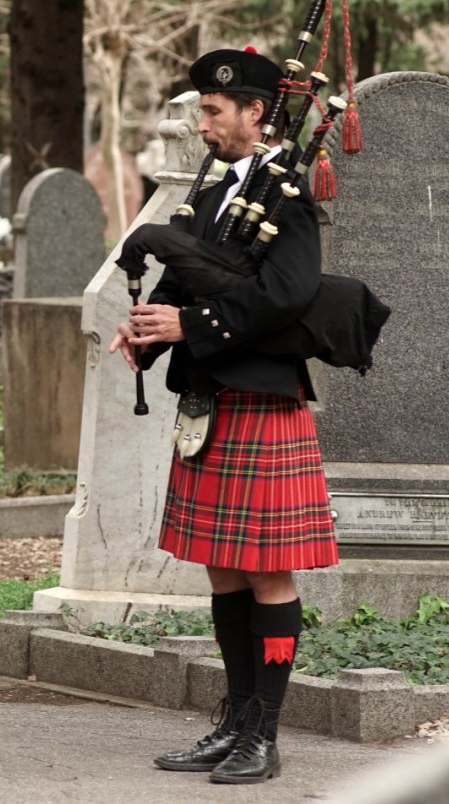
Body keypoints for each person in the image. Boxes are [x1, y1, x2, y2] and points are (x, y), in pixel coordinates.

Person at [109, 48, 338, 785]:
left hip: (264, 400)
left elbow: (286, 297)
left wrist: (190, 327)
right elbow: (180, 282)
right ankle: (235, 720)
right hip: (209, 399)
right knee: (224, 573)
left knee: (268, 574)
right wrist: (144, 332)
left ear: (255, 113)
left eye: (214, 111)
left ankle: (264, 736)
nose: (202, 123)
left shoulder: (290, 198)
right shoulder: (207, 199)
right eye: (202, 109)